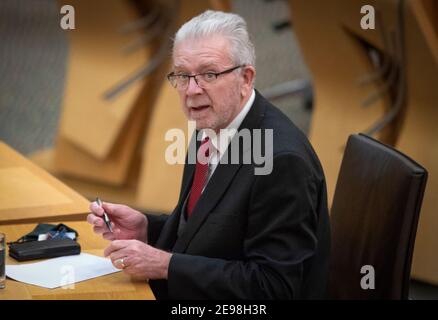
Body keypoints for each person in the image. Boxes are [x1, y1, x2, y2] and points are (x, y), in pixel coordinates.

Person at [87, 10, 330, 299]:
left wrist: (166, 265)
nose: (191, 90)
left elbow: (272, 288)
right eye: (181, 75)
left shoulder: (281, 162)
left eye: (209, 74)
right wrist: (148, 228)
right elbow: (211, 229)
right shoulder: (211, 125)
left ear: (246, 78)